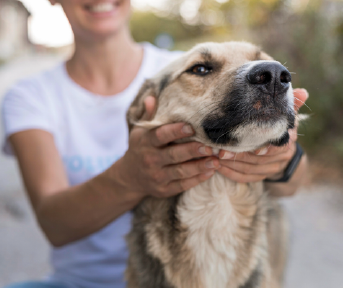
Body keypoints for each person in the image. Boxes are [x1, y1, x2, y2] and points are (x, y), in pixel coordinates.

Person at [2, 0, 308, 287]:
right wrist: (129, 176)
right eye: (203, 69)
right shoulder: (30, 96)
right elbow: (55, 225)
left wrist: (284, 160)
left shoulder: (173, 62)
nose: (267, 76)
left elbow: (291, 185)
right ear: (139, 114)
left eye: (266, 68)